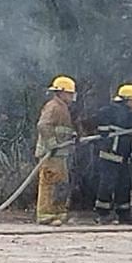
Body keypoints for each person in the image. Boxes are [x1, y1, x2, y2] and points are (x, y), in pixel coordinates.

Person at [93, 84, 132, 224]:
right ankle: (103, 214)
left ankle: (123, 213)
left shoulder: (122, 113)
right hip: (111, 154)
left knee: (124, 184)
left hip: (122, 156)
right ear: (127, 100)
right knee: (108, 184)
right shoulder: (117, 113)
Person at [35, 75, 78, 226]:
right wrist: (52, 144)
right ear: (61, 92)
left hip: (60, 155)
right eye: (70, 93)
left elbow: (60, 129)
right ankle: (46, 215)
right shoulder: (53, 106)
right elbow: (43, 125)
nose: (72, 97)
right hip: (50, 154)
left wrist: (71, 135)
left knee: (60, 185)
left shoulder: (62, 107)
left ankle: (58, 213)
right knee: (49, 184)